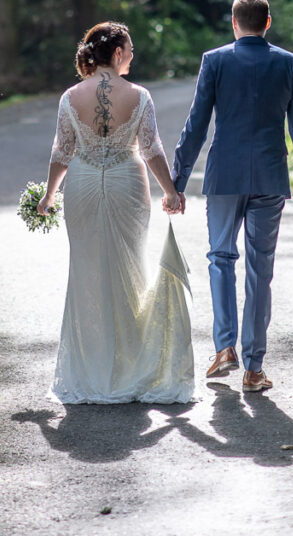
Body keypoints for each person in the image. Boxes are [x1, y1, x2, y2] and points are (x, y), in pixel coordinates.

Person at [37, 21, 194, 404]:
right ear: (119, 53)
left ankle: (92, 370)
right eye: (131, 49)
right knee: (130, 269)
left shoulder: (70, 96)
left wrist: (48, 196)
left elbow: (62, 152)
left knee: (88, 272)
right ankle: (131, 365)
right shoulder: (139, 96)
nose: (133, 56)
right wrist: (170, 191)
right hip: (126, 183)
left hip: (83, 187)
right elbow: (152, 149)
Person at [172, 0, 293, 393]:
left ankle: (225, 348)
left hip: (224, 178)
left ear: (234, 23)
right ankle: (254, 369)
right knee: (260, 270)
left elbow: (196, 126)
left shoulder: (215, 61)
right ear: (267, 22)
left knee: (221, 258)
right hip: (270, 179)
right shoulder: (288, 64)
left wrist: (177, 182)